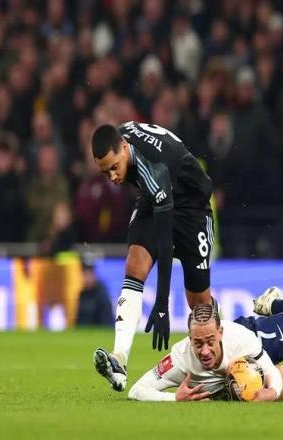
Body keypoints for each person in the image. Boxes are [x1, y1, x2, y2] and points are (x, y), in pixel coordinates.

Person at [91, 121, 214, 392]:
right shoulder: (122, 140)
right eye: (105, 171)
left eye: (115, 167)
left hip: (192, 208)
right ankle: (119, 360)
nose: (113, 176)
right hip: (155, 196)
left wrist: (161, 304)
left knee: (199, 302)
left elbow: (165, 243)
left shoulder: (155, 168)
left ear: (124, 147)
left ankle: (224, 360)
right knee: (135, 264)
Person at [127, 300, 283, 402]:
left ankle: (272, 303)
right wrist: (174, 399)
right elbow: (137, 390)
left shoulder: (241, 338)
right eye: (198, 344)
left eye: (210, 341)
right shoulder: (180, 358)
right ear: (190, 339)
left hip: (254, 348)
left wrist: (273, 392)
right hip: (238, 386)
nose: (205, 351)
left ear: (220, 332)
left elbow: (269, 371)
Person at [76, 253, 114, 327]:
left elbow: (106, 322)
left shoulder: (102, 293)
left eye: (89, 274)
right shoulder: (82, 293)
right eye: (84, 274)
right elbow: (79, 321)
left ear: (94, 274)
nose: (86, 278)